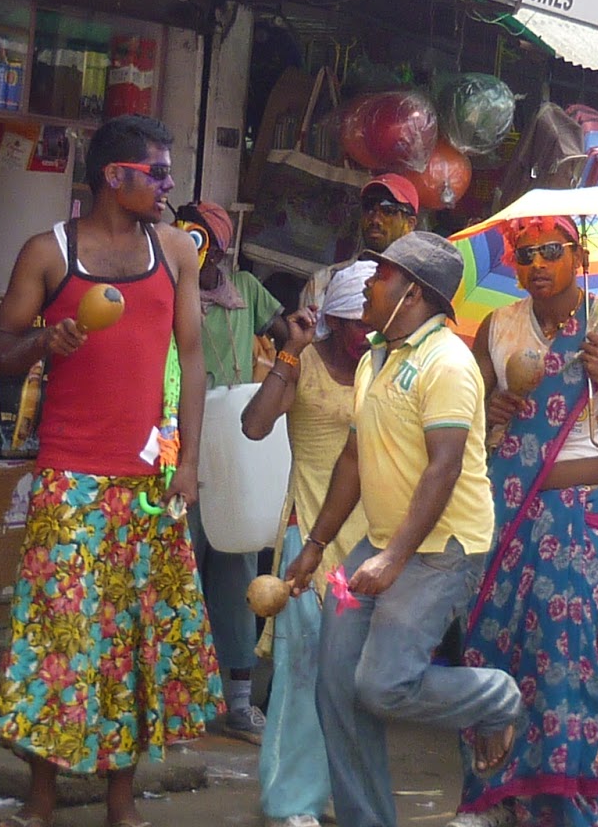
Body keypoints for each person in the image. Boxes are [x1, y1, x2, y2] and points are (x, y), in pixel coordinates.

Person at [0, 114, 221, 827]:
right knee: (56, 639)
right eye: (158, 172)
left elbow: (194, 360)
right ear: (115, 177)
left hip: (149, 480)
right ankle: (41, 801)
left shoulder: (178, 251)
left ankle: (122, 801)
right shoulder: (48, 252)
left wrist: (187, 463)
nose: (169, 184)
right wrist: (42, 341)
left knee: (136, 642)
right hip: (69, 475)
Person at [282, 232, 523, 827]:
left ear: (413, 292)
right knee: (335, 683)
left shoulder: (448, 362)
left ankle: (497, 697)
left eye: (380, 275)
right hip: (379, 543)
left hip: (441, 552)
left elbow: (443, 468)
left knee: (382, 685)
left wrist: (392, 560)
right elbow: (352, 460)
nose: (366, 283)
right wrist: (315, 546)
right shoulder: (374, 358)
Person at [450, 215, 598, 827]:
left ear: (577, 253)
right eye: (526, 253)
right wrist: (493, 406)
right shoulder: (498, 326)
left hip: (574, 516)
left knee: (563, 657)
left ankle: (564, 799)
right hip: (505, 509)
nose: (537, 263)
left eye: (551, 251)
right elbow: (464, 411)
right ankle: (488, 794)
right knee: (490, 645)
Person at [240, 261, 376, 827]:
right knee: (304, 673)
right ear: (336, 320)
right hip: (308, 540)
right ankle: (293, 801)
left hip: (371, 539)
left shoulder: (388, 367)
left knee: (356, 679)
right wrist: (289, 354)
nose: (368, 334)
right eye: (358, 323)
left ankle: (346, 796)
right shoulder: (307, 363)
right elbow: (253, 424)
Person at [174, 199, 287, 745]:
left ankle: (238, 701)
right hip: (184, 441)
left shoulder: (245, 291)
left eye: (203, 242)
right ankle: (178, 696)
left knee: (239, 569)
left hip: (240, 441)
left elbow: (287, 333)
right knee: (181, 565)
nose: (196, 251)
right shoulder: (168, 292)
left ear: (220, 248)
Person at [300, 173, 421, 312]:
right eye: (369, 208)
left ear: (410, 224)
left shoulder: (420, 286)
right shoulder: (325, 281)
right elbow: (310, 333)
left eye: (388, 211)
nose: (375, 219)